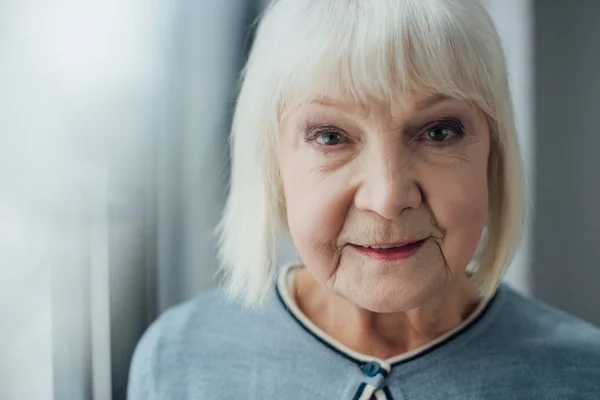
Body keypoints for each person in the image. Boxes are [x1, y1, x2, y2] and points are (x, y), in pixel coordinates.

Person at [127, 0, 600, 399]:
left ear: (493, 154)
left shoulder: (582, 375)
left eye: (438, 132)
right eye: (331, 137)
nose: (388, 197)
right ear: (271, 164)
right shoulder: (179, 360)